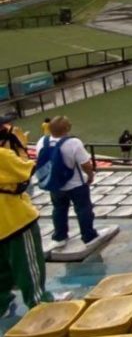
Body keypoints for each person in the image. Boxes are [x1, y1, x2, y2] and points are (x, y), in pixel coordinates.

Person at [0, 147, 69, 313]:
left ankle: (3, 304)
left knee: (1, 270)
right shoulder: (3, 155)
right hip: (14, 220)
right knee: (28, 264)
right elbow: (27, 170)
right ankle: (39, 301)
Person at [35, 116, 101, 248]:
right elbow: (85, 164)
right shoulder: (73, 143)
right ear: (67, 128)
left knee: (58, 209)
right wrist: (90, 176)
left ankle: (60, 236)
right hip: (76, 184)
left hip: (54, 184)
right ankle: (88, 236)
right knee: (83, 209)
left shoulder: (42, 141)